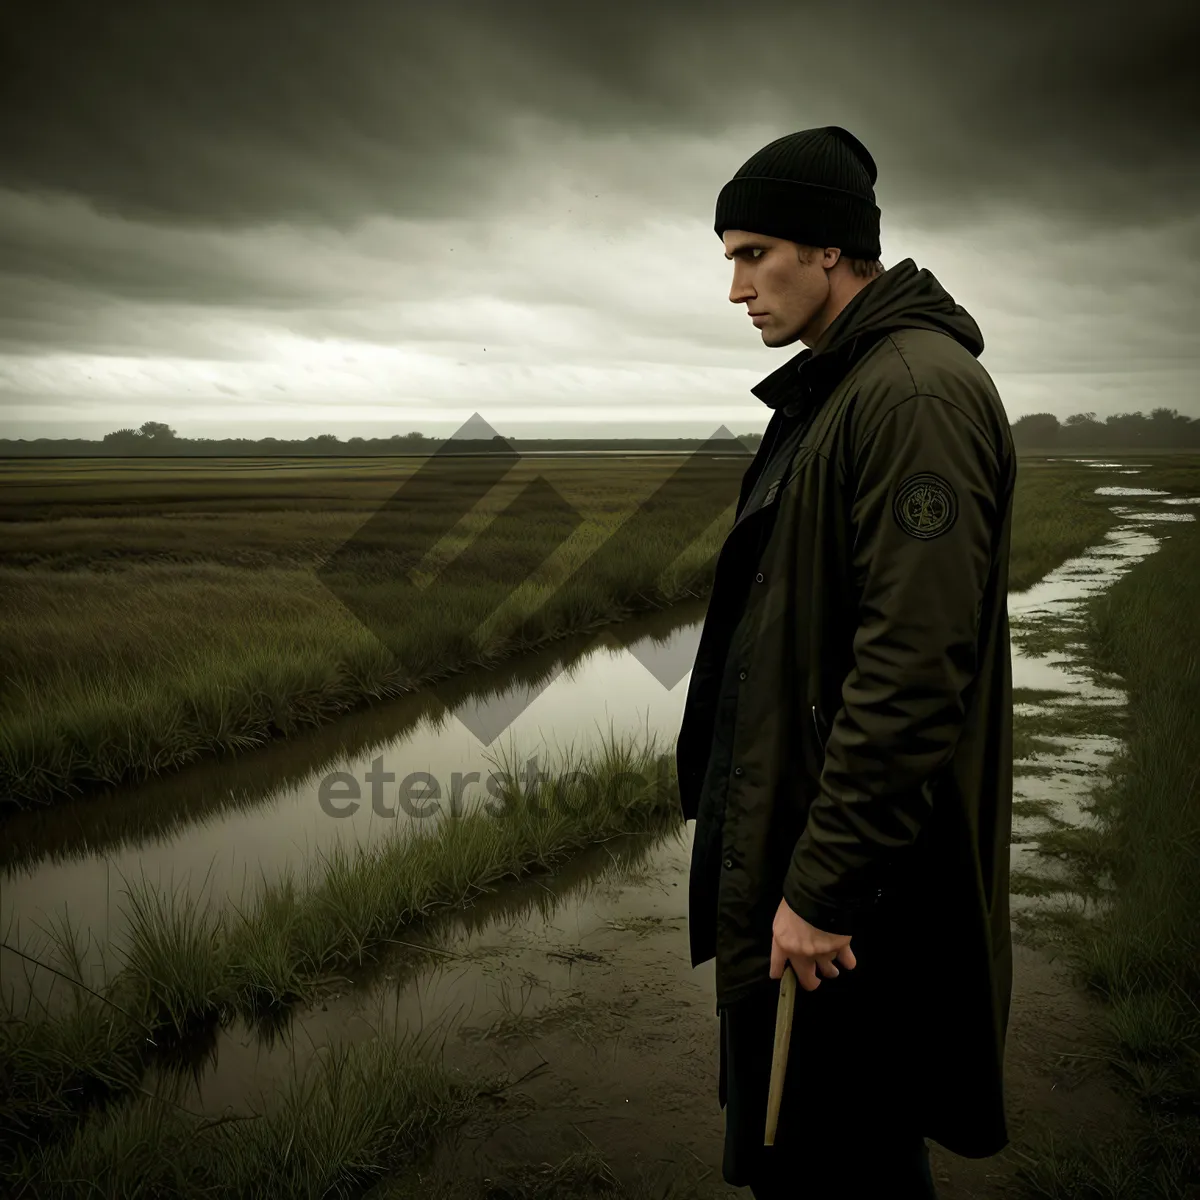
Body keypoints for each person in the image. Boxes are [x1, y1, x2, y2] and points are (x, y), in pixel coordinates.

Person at [674, 125, 1016, 1197]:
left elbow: (912, 672)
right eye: (728, 256)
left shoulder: (913, 397)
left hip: (864, 901)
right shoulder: (845, 385)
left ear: (832, 252)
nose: (735, 288)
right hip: (820, 866)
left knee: (842, 1158)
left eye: (753, 253)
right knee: (817, 1152)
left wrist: (822, 890)